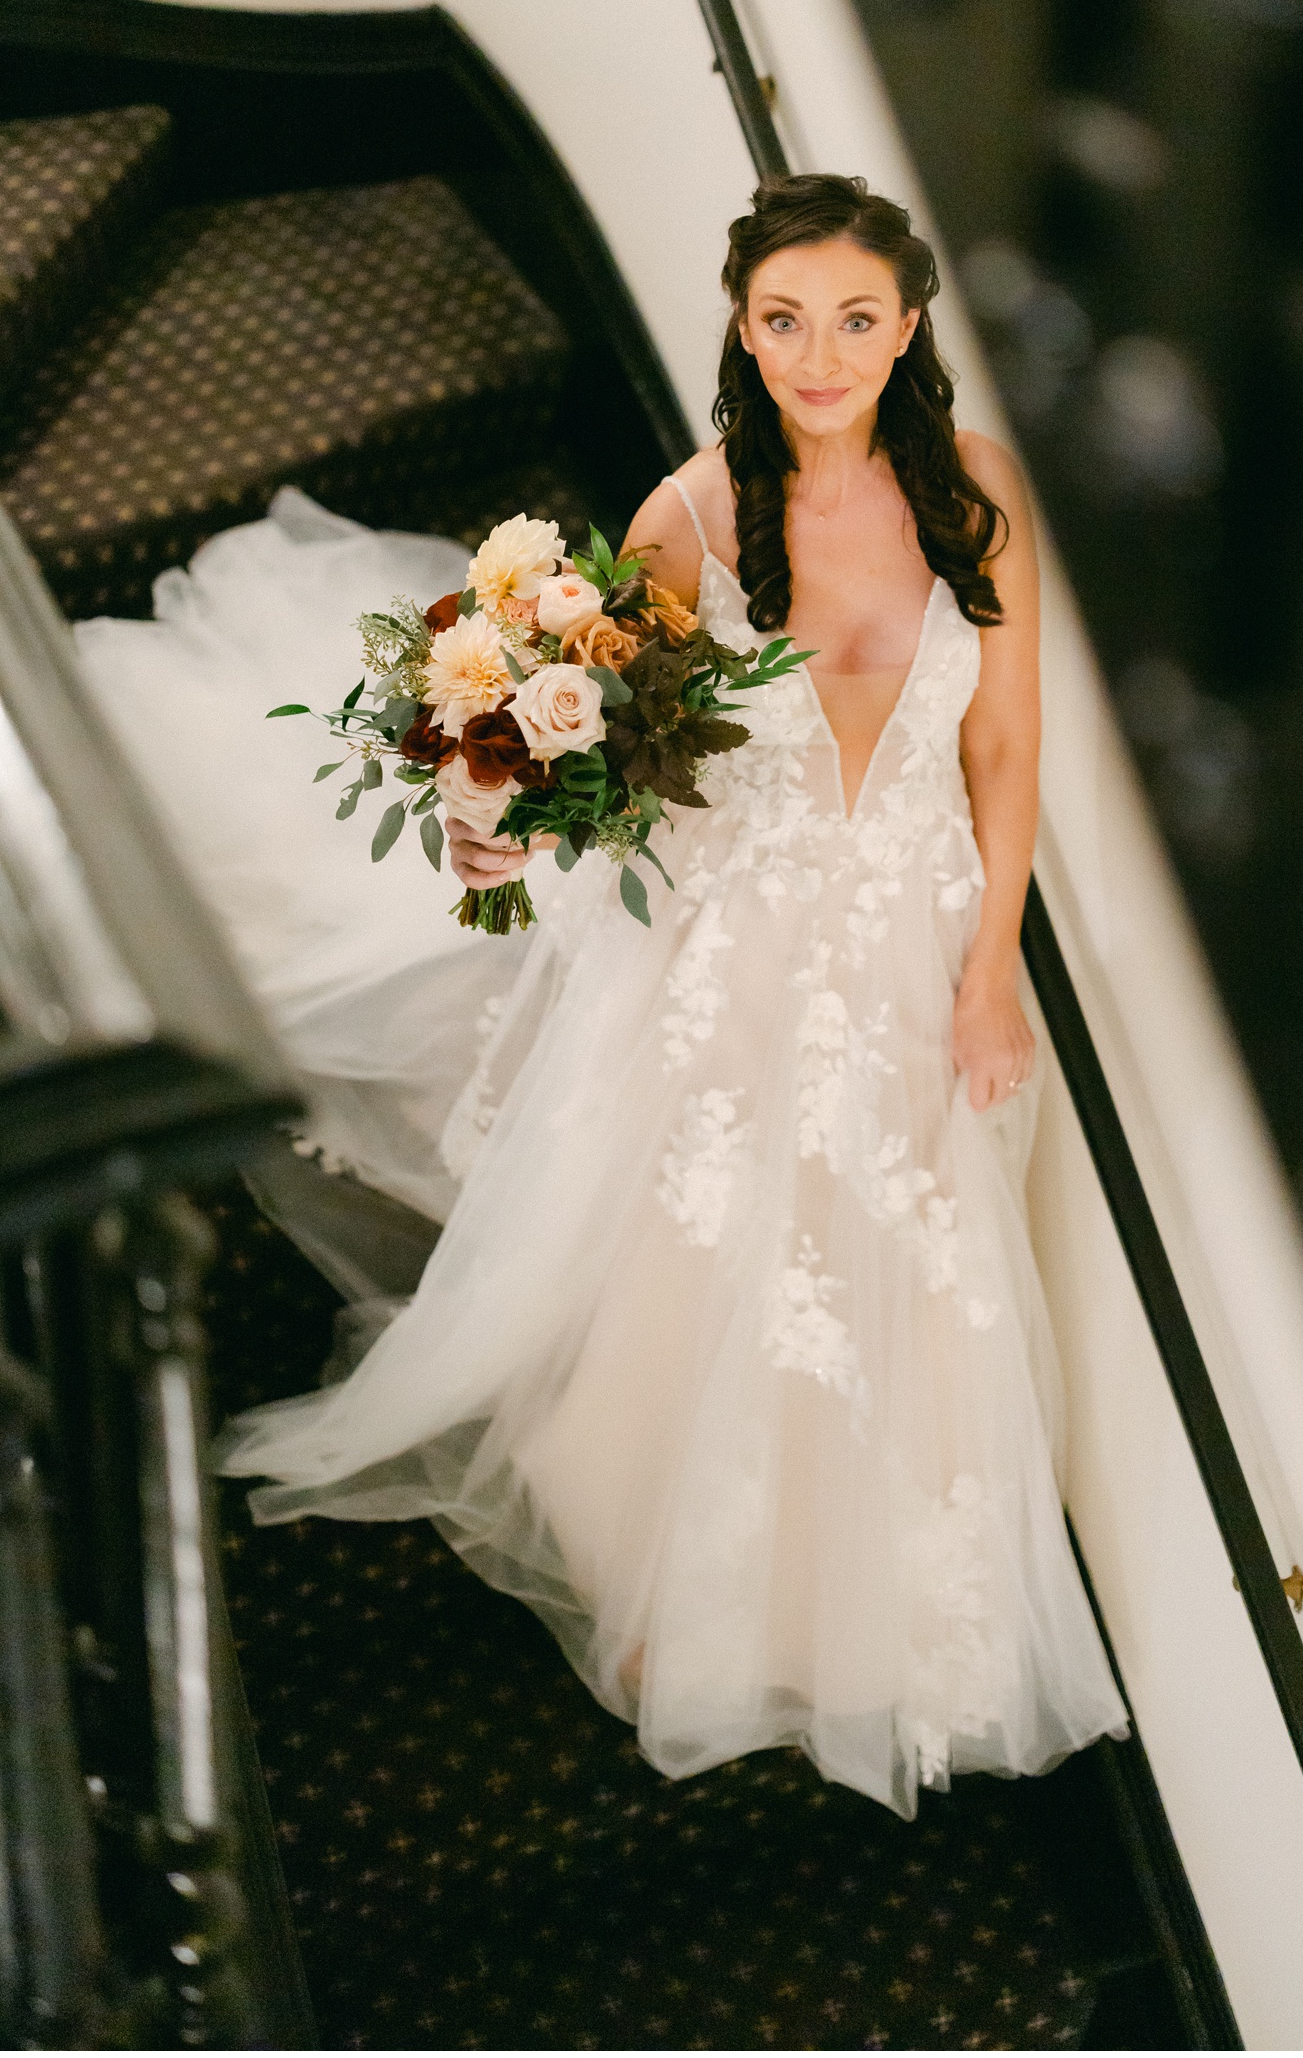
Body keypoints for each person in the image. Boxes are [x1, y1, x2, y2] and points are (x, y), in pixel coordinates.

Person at [82, 172, 1125, 1818]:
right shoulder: (688, 518)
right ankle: (665, 1581)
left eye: (856, 318)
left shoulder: (982, 496)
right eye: (785, 320)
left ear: (909, 327)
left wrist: (991, 976)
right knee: (700, 1251)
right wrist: (506, 796)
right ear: (745, 331)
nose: (821, 352)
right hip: (739, 926)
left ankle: (863, 1610)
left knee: (903, 1262)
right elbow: (620, 754)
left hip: (917, 935)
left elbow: (1004, 747)